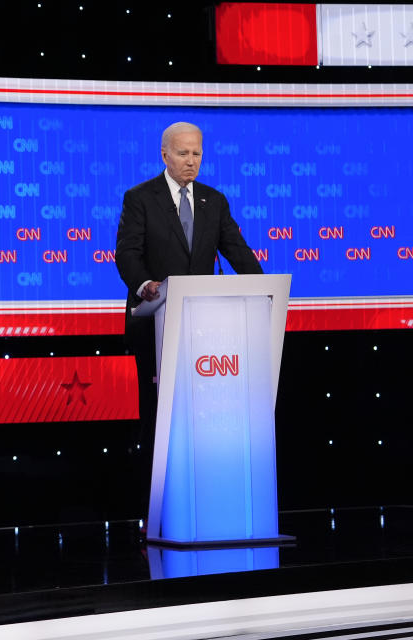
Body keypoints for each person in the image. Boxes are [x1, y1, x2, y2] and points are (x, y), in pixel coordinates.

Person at [115, 121, 262, 503]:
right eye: (183, 153)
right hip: (156, 324)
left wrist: (262, 286)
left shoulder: (214, 200)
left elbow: (237, 251)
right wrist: (145, 285)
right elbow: (127, 253)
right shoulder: (140, 198)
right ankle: (157, 498)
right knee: (158, 413)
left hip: (207, 332)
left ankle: (205, 494)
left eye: (197, 153)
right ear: (164, 154)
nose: (191, 161)